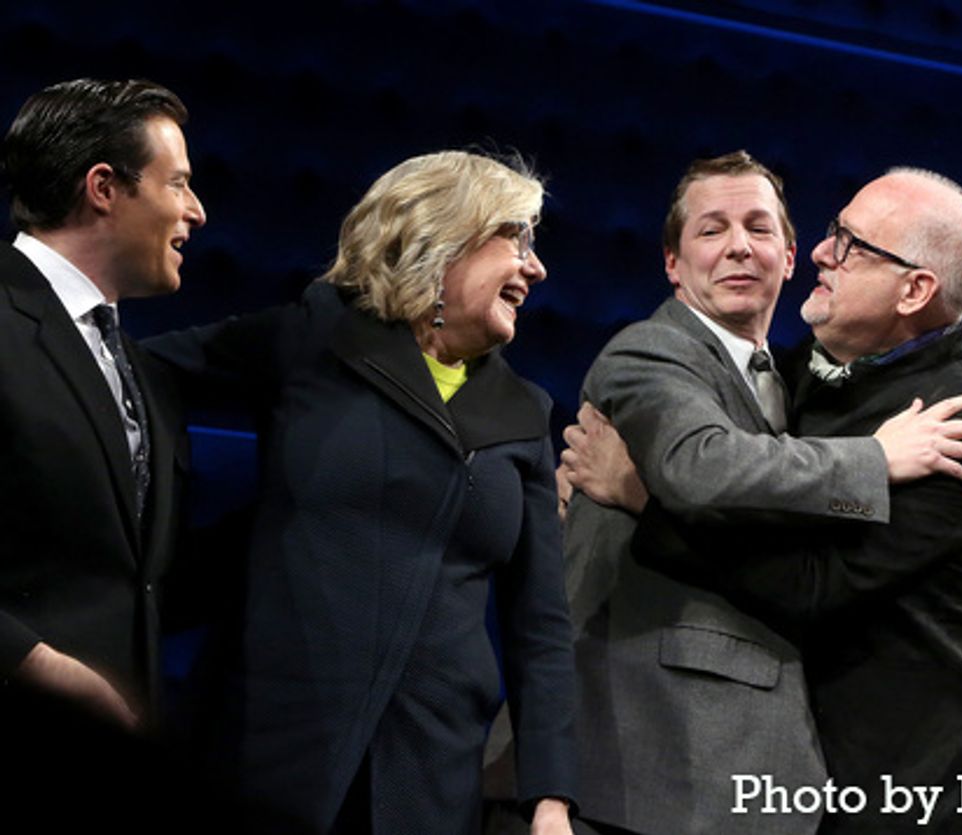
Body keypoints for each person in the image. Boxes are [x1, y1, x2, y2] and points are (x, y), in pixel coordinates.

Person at [542, 152, 962, 835]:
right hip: (641, 766)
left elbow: (815, 578)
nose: (737, 246)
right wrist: (874, 460)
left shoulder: (806, 386)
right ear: (672, 264)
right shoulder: (649, 351)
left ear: (786, 258)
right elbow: (700, 464)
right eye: (710, 229)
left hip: (805, 774)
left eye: (759, 228)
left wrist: (643, 501)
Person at [146, 151, 576, 834]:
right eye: (516, 238)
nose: (536, 266)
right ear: (444, 235)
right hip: (273, 755)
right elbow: (130, 381)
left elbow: (541, 628)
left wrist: (549, 797)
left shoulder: (525, 411)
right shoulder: (314, 338)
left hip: (430, 778)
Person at [0, 78, 205, 820]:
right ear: (103, 188)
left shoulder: (140, 368)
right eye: (179, 183)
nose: (196, 211)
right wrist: (37, 665)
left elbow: (142, 574)